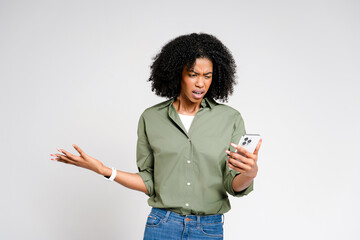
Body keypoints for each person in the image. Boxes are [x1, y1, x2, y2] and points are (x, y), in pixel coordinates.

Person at [50, 33, 262, 240]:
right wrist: (105, 171)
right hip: (162, 225)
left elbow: (233, 184)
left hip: (208, 229)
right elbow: (149, 181)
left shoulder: (230, 118)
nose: (200, 83)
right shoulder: (151, 118)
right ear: (178, 73)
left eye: (207, 76)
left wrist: (250, 173)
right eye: (193, 74)